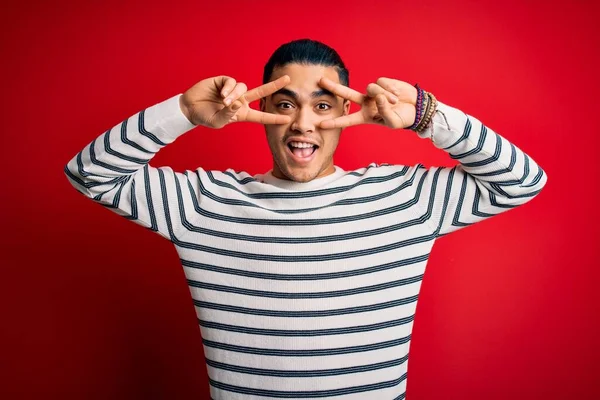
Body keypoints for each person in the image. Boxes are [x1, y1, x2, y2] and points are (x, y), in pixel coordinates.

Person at [64, 39, 547, 399]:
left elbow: (523, 181)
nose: (303, 124)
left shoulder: (405, 197)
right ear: (261, 111)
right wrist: (184, 112)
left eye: (322, 106)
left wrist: (428, 117)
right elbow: (90, 174)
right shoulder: (203, 203)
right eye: (285, 104)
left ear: (347, 111)